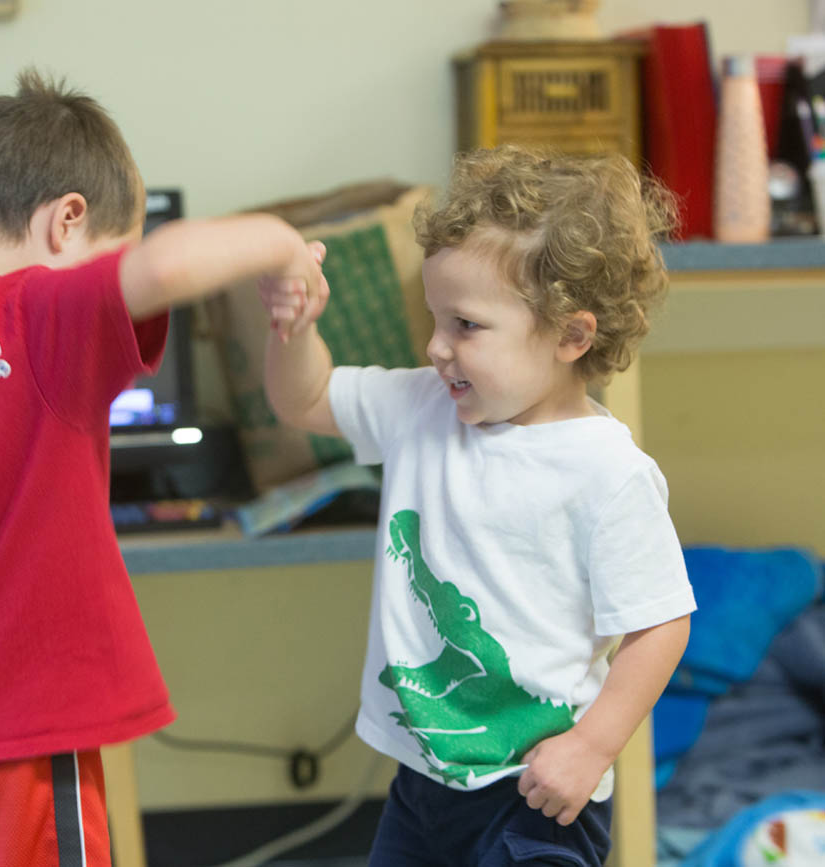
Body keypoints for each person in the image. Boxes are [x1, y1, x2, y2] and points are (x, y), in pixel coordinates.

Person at [0, 67, 325, 867]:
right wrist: (285, 248)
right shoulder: (37, 314)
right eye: (116, 256)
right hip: (26, 743)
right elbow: (172, 266)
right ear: (67, 221)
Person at [260, 145, 695, 866]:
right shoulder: (418, 407)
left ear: (569, 335)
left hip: (537, 798)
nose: (434, 347)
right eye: (433, 318)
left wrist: (589, 746)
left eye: (464, 325)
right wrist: (294, 328)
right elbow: (303, 398)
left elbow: (661, 623)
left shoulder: (607, 471)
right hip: (424, 785)